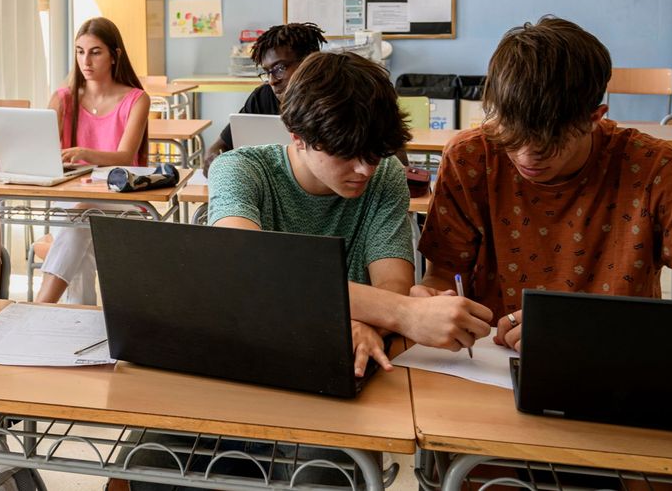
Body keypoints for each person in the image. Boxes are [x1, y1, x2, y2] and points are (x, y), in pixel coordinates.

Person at [209, 51, 495, 373]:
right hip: (256, 354)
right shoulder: (239, 169)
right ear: (298, 138)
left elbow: (392, 285)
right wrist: (404, 314)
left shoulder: (385, 175)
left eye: (373, 154)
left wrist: (362, 324)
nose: (364, 170)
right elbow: (249, 266)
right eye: (346, 154)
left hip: (347, 360)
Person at [417, 15, 672, 351]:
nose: (527, 157)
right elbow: (443, 274)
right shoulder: (471, 158)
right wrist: (431, 299)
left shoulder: (657, 171)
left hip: (612, 359)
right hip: (489, 362)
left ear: (594, 118)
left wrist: (582, 326)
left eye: (549, 143)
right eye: (512, 137)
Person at [34, 17, 151, 304]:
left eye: (95, 52)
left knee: (79, 218)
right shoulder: (62, 98)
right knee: (80, 231)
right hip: (72, 194)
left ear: (115, 55)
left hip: (121, 196)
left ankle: (41, 306)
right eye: (79, 51)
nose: (86, 60)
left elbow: (125, 156)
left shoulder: (136, 99)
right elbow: (43, 150)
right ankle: (77, 325)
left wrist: (85, 152)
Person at [203, 23, 327, 175]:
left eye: (280, 68)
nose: (272, 81)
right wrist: (214, 158)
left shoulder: (338, 99)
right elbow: (220, 146)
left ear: (310, 61)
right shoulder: (263, 96)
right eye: (267, 72)